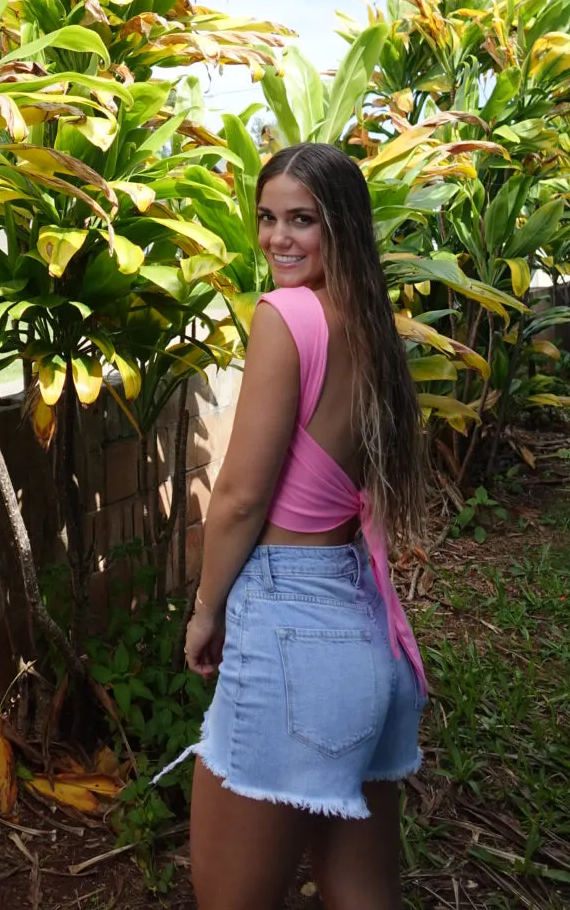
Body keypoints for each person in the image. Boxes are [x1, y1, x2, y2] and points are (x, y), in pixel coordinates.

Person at [185, 142, 428, 910]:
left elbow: (240, 497)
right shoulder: (370, 324)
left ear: (341, 226)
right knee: (362, 895)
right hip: (365, 630)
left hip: (291, 629)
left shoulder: (285, 315)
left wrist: (204, 609)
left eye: (301, 220)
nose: (277, 238)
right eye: (266, 218)